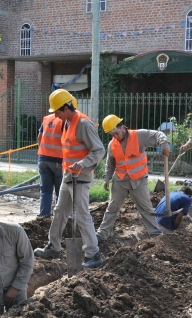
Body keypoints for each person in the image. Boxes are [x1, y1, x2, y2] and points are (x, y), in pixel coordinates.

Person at [34, 89, 105, 268]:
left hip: (80, 176)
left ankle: (93, 253)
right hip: (68, 174)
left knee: (81, 215)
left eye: (57, 111)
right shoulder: (66, 123)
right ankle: (54, 246)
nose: (55, 115)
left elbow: (99, 150)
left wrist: (83, 163)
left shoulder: (83, 123)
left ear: (66, 107)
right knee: (60, 212)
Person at [97, 114, 171, 240]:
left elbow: (158, 135)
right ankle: (102, 234)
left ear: (123, 127)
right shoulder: (112, 145)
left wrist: (164, 144)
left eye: (116, 133)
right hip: (120, 180)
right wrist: (107, 178)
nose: (115, 137)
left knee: (146, 208)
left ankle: (156, 234)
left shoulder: (139, 136)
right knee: (112, 208)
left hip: (138, 179)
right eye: (112, 135)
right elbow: (110, 164)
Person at [37, 113, 64, 217]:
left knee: (45, 190)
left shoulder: (46, 118)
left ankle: (44, 216)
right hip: (58, 160)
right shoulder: (64, 120)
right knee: (60, 191)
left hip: (43, 159)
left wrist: (42, 153)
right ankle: (59, 217)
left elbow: (39, 137)